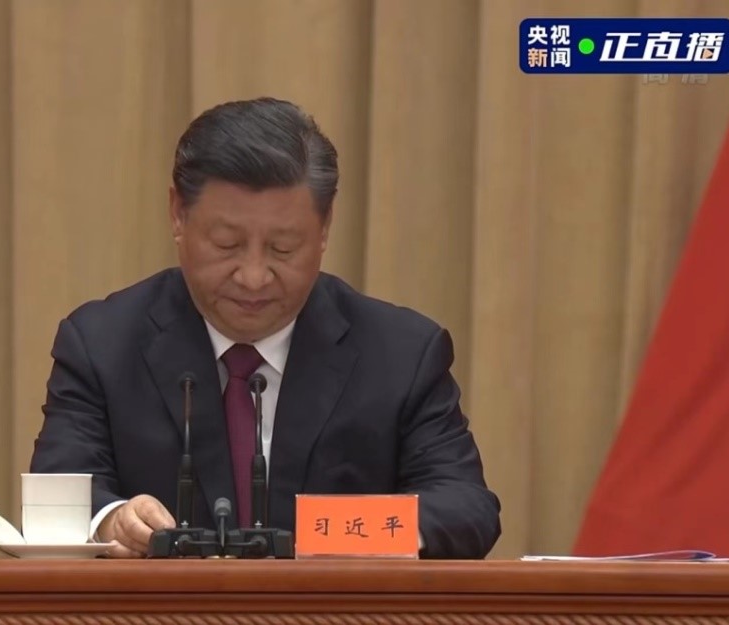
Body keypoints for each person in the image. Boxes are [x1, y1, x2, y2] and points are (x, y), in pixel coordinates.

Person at [28, 97, 501, 559]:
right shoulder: (101, 344)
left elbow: (466, 506)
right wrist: (111, 520)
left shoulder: (402, 354)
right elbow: (59, 491)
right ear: (178, 215)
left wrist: (347, 532)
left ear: (324, 228)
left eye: (283, 248)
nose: (253, 277)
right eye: (226, 244)